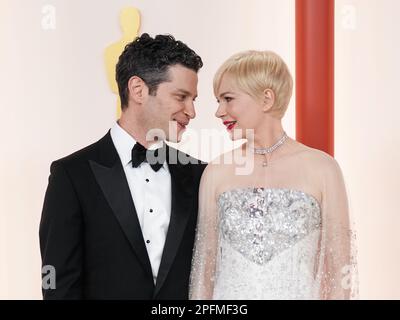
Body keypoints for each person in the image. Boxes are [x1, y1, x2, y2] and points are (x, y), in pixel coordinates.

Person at [40, 33, 206, 299]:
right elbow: (57, 282)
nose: (192, 111)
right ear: (138, 90)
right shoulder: (71, 175)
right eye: (181, 96)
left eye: (193, 99)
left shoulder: (200, 175)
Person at [189, 50, 357, 299]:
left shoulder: (323, 169)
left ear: (266, 99)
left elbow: (338, 273)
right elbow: (203, 272)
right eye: (218, 101)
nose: (219, 112)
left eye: (228, 99)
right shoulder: (216, 172)